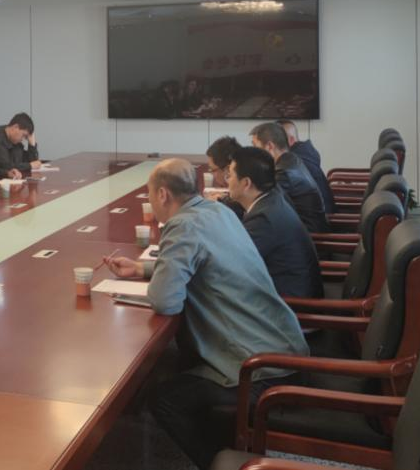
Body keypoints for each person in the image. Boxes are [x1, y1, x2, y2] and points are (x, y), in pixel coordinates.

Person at [104, 159, 309, 469]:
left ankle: (223, 463)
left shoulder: (182, 226)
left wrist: (158, 275)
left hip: (258, 370)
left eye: (149, 194)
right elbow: (205, 261)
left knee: (164, 398)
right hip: (284, 348)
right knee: (177, 365)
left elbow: (165, 301)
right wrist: (143, 268)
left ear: (162, 194)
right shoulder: (218, 211)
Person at [226, 146, 323, 299]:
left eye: (230, 175)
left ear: (246, 183)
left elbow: (231, 264)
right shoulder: (271, 198)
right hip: (291, 289)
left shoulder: (264, 219)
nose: (227, 180)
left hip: (291, 304)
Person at [250, 122, 330, 233]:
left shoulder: (284, 173)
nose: (253, 153)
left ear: (269, 146)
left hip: (310, 236)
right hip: (302, 230)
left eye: (255, 146)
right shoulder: (291, 160)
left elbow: (263, 202)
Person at [277, 119, 335, 213]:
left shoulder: (295, 163)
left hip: (322, 218)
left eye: (276, 141)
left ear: (291, 140)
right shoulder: (304, 154)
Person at [0, 112, 41, 179]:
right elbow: (6, 166)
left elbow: (33, 162)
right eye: (23, 135)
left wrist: (32, 144)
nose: (23, 139)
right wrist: (30, 166)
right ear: (16, 127)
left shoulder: (15, 142)